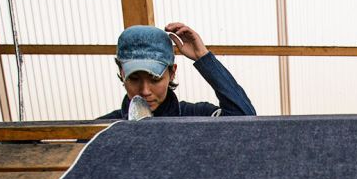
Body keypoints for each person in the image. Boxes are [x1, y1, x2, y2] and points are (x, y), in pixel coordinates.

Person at [100, 22, 256, 119]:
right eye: (134, 78)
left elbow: (244, 119)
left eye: (155, 78)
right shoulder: (102, 129)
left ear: (172, 72)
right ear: (122, 73)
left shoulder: (196, 117)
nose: (145, 90)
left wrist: (203, 57)